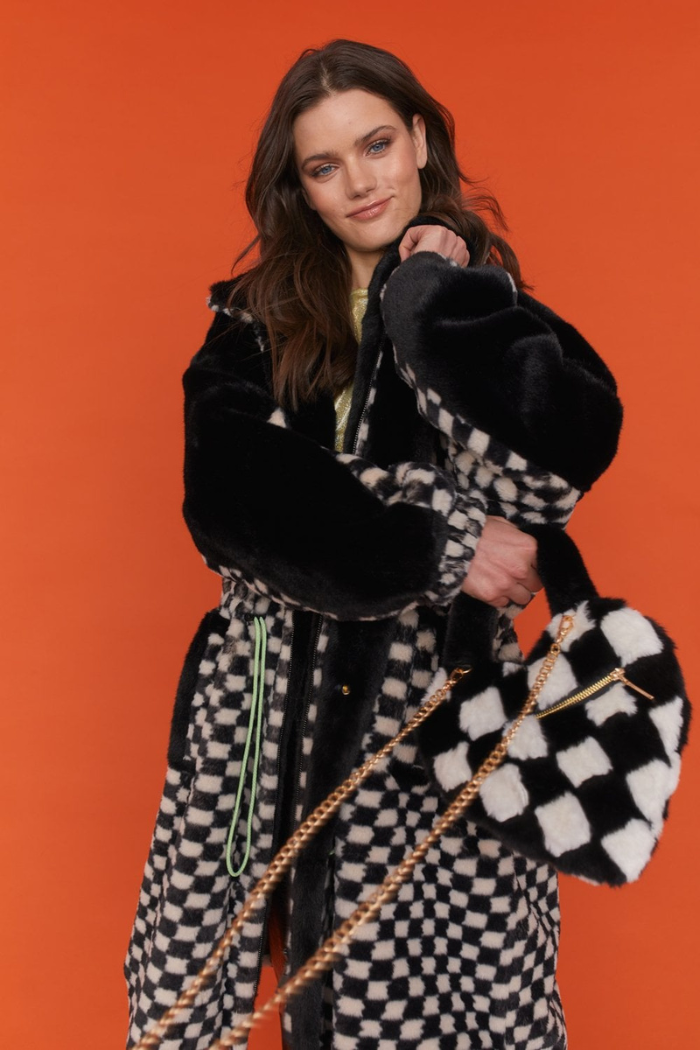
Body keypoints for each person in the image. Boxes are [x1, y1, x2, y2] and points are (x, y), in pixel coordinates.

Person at [125, 39, 622, 1050]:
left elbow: (556, 468)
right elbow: (233, 501)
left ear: (420, 141)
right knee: (193, 995)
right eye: (325, 165)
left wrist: (431, 304)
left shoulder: (490, 311)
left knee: (463, 1002)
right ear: (301, 188)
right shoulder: (253, 324)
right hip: (259, 713)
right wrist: (443, 537)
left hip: (434, 714)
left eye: (377, 145)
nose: (359, 183)